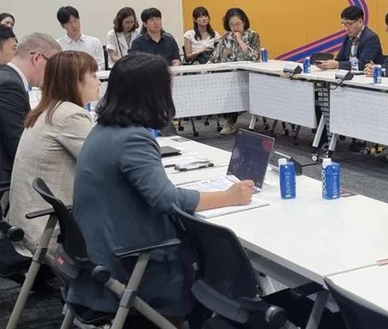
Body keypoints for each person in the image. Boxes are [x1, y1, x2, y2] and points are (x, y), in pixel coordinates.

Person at [68, 53, 255, 326]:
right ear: (153, 93)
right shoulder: (133, 138)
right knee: (215, 259)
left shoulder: (104, 130)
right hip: (129, 263)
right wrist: (228, 197)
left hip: (98, 255)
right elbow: (167, 199)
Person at [7, 51, 98, 250]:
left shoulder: (48, 109)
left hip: (27, 227)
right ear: (75, 82)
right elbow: (102, 164)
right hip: (48, 233)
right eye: (93, 75)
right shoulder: (70, 116)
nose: (98, 81)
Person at [0, 33, 61, 190]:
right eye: (53, 67)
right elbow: (18, 145)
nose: (54, 74)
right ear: (37, 58)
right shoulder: (10, 85)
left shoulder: (8, 76)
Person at [210, 8, 260, 135]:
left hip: (246, 75)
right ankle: (229, 120)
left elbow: (254, 57)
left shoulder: (252, 35)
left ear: (244, 22)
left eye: (238, 24)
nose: (235, 28)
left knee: (233, 88)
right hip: (228, 75)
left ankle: (230, 122)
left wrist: (239, 40)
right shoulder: (225, 38)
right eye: (232, 25)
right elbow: (215, 57)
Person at [315, 5, 383, 71]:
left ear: (360, 22)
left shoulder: (371, 38)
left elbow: (363, 64)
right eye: (344, 24)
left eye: (349, 24)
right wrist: (327, 64)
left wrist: (337, 65)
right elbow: (340, 58)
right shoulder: (348, 37)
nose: (346, 28)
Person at [56, 6, 105, 70]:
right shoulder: (57, 45)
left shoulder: (94, 42)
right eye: (69, 23)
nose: (74, 25)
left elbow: (100, 66)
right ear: (62, 25)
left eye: (76, 21)